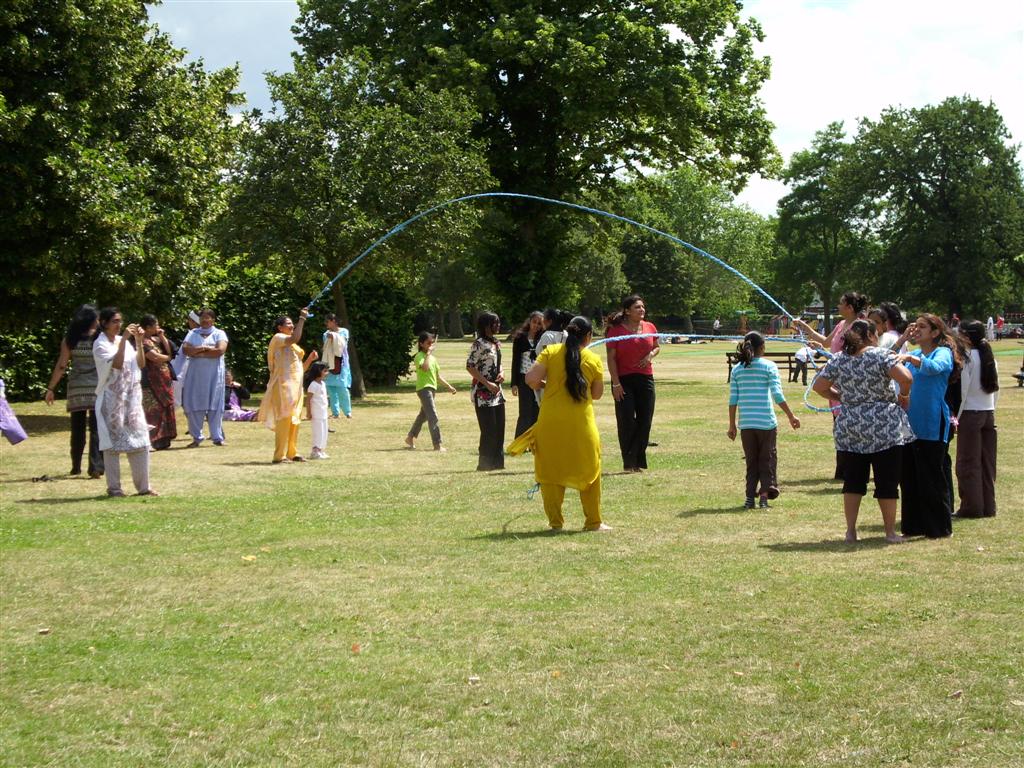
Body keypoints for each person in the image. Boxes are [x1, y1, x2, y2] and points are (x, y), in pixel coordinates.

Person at [812, 320, 914, 543]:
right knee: (887, 481)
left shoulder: (839, 359)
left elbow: (819, 387)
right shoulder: (880, 356)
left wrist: (842, 397)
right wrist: (903, 396)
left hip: (851, 426)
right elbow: (906, 378)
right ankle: (889, 532)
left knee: (853, 481)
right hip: (884, 427)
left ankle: (850, 531)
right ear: (870, 335)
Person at [508, 316, 610, 532]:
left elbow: (531, 380)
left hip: (550, 422)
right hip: (581, 424)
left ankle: (555, 523)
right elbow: (597, 394)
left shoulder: (551, 352)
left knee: (551, 472)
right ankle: (593, 522)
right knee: (590, 471)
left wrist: (550, 383)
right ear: (589, 336)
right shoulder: (593, 359)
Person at [896, 314, 960, 538]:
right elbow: (887, 359)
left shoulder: (941, 352)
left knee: (931, 477)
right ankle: (913, 526)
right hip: (908, 425)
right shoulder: (912, 353)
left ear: (935, 332)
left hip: (932, 423)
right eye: (916, 326)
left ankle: (939, 528)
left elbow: (935, 367)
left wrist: (911, 360)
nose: (918, 330)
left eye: (923, 327)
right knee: (909, 477)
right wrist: (903, 338)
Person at [793, 291, 869, 479]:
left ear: (850, 307)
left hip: (849, 379)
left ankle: (853, 468)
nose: (839, 306)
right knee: (839, 423)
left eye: (842, 303)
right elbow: (826, 342)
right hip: (835, 378)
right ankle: (842, 469)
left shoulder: (859, 327)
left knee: (850, 422)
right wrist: (805, 328)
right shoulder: (841, 324)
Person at [727, 332, 801, 510]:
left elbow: (733, 400)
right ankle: (764, 497)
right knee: (767, 460)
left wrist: (732, 425)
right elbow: (777, 394)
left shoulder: (737, 369)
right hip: (766, 423)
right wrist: (791, 415)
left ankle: (749, 498)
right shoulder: (769, 366)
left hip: (746, 424)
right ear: (763, 348)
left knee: (751, 462)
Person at [92, 308, 157, 496]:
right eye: (115, 321)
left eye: (120, 321)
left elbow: (141, 364)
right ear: (103, 323)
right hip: (112, 400)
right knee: (112, 445)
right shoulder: (100, 344)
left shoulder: (125, 342)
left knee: (141, 441)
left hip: (132, 399)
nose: (119, 325)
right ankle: (114, 488)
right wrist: (125, 339)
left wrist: (137, 341)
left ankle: (144, 487)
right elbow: (117, 364)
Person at [44, 304, 104, 477]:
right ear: (92, 320)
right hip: (96, 387)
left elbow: (62, 365)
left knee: (77, 428)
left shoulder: (70, 339)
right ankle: (95, 466)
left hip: (76, 388)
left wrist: (51, 388)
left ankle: (75, 466)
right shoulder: (100, 338)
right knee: (96, 428)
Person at [605, 294, 659, 473]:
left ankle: (638, 461)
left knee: (645, 421)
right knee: (627, 421)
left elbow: (656, 346)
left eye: (643, 307)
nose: (642, 310)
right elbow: (611, 358)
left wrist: (650, 355)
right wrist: (615, 383)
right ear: (627, 311)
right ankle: (629, 463)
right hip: (624, 380)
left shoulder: (650, 327)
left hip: (645, 379)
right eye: (637, 307)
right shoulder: (616, 330)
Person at [258, 308, 316, 463]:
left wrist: (309, 360)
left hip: (296, 387)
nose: (292, 326)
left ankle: (292, 453)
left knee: (294, 419)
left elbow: (299, 370)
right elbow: (296, 337)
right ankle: (279, 456)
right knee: (284, 418)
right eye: (289, 324)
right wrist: (302, 319)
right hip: (283, 385)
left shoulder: (293, 347)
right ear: (280, 327)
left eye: (292, 323)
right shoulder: (278, 338)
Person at [954, 320, 999, 518]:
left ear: (965, 336)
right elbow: (995, 389)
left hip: (970, 414)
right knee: (987, 463)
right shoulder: (988, 355)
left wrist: (958, 416)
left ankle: (971, 507)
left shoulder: (967, 358)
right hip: (988, 412)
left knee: (968, 463)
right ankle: (988, 506)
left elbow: (963, 391)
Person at [181, 308, 228, 447]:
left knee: (215, 404)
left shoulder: (219, 333)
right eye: (202, 319)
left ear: (213, 320)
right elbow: (186, 350)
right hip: (196, 376)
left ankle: (217, 437)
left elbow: (220, 350)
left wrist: (199, 350)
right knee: (195, 404)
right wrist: (207, 349)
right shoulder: (192, 333)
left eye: (208, 318)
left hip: (214, 375)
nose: (205, 321)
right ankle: (196, 437)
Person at [466, 311, 505, 471]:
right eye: (494, 323)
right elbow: (470, 366)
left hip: (497, 392)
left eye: (498, 323)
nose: (497, 326)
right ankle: (485, 463)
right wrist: (488, 384)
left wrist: (502, 372)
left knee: (499, 427)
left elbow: (498, 362)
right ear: (485, 326)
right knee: (489, 429)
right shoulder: (478, 344)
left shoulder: (496, 343)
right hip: (483, 392)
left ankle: (498, 462)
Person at [405, 331, 457, 451]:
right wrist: (428, 354)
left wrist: (449, 386)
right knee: (433, 416)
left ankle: (410, 437)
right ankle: (437, 444)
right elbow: (424, 368)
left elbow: (437, 376)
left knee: (423, 416)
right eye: (428, 343)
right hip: (424, 389)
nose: (430, 345)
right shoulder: (419, 357)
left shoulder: (433, 358)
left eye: (432, 343)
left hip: (432, 389)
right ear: (421, 344)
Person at [139, 315, 177, 450]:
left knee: (165, 408)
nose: (158, 327)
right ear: (148, 327)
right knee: (153, 409)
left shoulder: (156, 339)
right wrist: (167, 358)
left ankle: (164, 439)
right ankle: (152, 439)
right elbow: (154, 357)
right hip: (151, 381)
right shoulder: (141, 341)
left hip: (164, 381)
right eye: (156, 325)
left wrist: (162, 337)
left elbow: (170, 350)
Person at [510, 311, 543, 436]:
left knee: (537, 410)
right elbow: (515, 361)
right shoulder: (520, 338)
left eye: (539, 324)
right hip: (524, 378)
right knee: (525, 411)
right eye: (534, 322)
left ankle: (534, 441)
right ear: (529, 322)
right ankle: (520, 442)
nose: (536, 326)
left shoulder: (542, 338)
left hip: (539, 378)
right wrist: (514, 383)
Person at [322, 313, 353, 419]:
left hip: (341, 362)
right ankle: (335, 412)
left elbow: (342, 343)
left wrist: (334, 336)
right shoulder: (325, 333)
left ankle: (348, 412)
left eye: (328, 321)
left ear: (334, 321)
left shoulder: (344, 331)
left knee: (342, 388)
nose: (326, 324)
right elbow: (326, 346)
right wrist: (330, 336)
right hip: (329, 363)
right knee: (330, 388)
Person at [170, 310, 200, 414]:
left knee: (178, 400)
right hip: (182, 372)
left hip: (183, 372)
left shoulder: (194, 334)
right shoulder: (192, 334)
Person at [305, 361, 330, 459]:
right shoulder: (313, 385)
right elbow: (308, 400)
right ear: (318, 371)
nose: (327, 373)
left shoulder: (322, 383)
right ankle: (315, 451)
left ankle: (321, 450)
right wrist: (308, 412)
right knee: (318, 432)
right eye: (325, 371)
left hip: (323, 412)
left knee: (324, 431)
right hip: (316, 413)